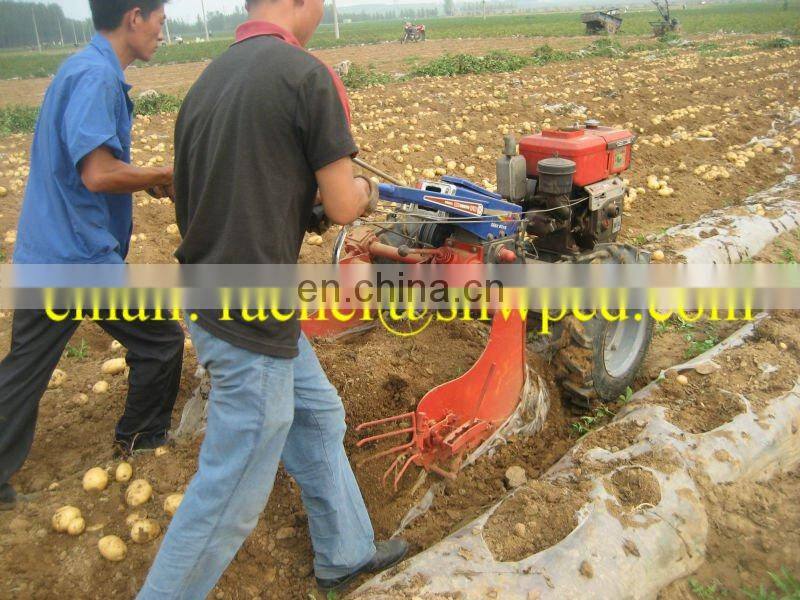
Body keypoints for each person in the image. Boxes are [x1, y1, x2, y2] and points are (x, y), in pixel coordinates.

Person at [137, 0, 409, 597]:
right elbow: (344, 205)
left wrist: (302, 209)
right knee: (228, 493)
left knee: (316, 415)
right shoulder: (307, 74)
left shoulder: (210, 81)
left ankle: (346, 553)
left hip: (213, 294)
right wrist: (367, 190)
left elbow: (225, 190)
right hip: (248, 311)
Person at [0, 0, 184, 512]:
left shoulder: (80, 68)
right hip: (80, 257)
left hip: (47, 250)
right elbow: (99, 174)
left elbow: (90, 168)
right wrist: (162, 174)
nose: (162, 33)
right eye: (160, 21)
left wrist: (143, 181)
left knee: (25, 368)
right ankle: (141, 440)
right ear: (134, 17)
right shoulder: (96, 77)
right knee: (161, 339)